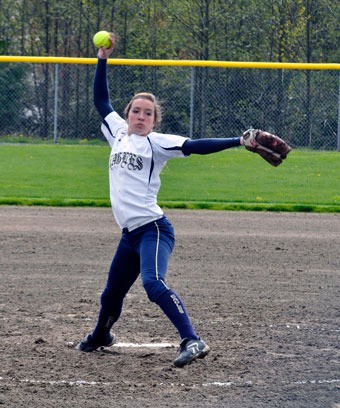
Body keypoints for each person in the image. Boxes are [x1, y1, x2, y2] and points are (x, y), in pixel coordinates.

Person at [76, 33, 246, 368]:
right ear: (127, 115)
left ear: (155, 120)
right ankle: (101, 335)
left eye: (147, 114)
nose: (140, 117)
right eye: (136, 111)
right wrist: (102, 58)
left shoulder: (156, 143)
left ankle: (193, 339)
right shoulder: (117, 134)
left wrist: (238, 141)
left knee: (153, 283)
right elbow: (100, 100)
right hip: (130, 237)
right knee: (111, 295)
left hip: (154, 230)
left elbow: (196, 145)